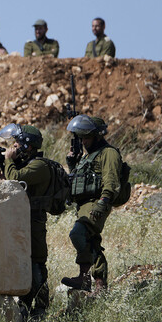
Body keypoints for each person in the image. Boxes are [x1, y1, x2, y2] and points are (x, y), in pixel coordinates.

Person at [0, 123, 51, 322]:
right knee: (22, 263)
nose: (15, 146)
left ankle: (41, 308)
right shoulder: (25, 164)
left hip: (34, 222)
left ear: (28, 145)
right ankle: (25, 306)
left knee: (36, 265)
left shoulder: (40, 165)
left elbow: (16, 179)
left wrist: (8, 161)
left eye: (18, 143)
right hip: (21, 220)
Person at [61, 115, 122, 293]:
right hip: (84, 205)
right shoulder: (87, 157)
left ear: (97, 136)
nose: (83, 141)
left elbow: (111, 182)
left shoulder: (108, 153)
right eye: (81, 138)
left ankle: (85, 278)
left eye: (86, 137)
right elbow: (79, 180)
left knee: (78, 234)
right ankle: (98, 284)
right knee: (91, 241)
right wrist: (72, 165)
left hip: (97, 203)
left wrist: (103, 203)